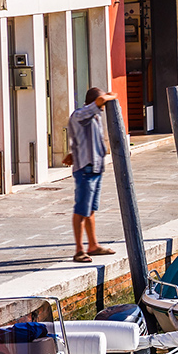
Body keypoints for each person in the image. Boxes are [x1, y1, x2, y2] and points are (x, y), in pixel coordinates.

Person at [63, 87, 117, 263]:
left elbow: (83, 140)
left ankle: (93, 245)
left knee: (91, 210)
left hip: (96, 168)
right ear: (94, 101)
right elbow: (99, 102)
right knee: (81, 210)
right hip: (86, 169)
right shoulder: (80, 114)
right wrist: (110, 96)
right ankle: (79, 250)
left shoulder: (94, 117)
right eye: (101, 104)